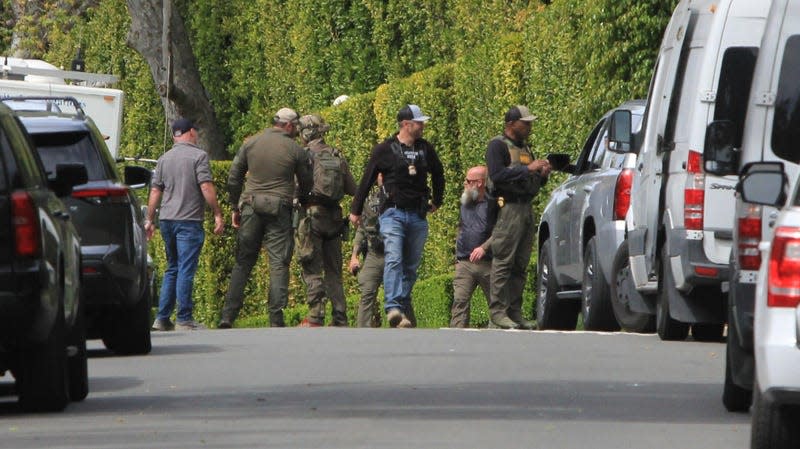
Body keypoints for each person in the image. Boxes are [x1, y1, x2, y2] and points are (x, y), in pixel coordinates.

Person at [349, 104, 445, 328]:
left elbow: (439, 174)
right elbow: (366, 180)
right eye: (418, 122)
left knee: (411, 264)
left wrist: (437, 201)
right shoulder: (384, 149)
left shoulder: (425, 149)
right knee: (394, 256)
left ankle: (399, 306)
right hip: (393, 212)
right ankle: (392, 307)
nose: (422, 126)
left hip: (418, 214)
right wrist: (355, 210)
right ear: (405, 124)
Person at [219, 107, 312, 328]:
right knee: (279, 262)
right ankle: (276, 319)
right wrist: (300, 199)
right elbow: (307, 183)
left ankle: (227, 317)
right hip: (279, 208)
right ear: (289, 126)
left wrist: (235, 206)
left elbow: (234, 177)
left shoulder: (250, 143)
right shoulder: (296, 149)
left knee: (243, 262)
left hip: (250, 206)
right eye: (296, 126)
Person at [146, 118, 224, 331]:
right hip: (188, 220)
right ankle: (184, 318)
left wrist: (149, 220)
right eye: (195, 132)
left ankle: (162, 318)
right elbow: (206, 187)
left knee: (172, 267)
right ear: (191, 132)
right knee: (186, 269)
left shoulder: (163, 159)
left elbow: (155, 191)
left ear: (174, 136)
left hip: (167, 220)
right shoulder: (199, 156)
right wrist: (217, 213)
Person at [485, 105, 551, 330]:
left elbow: (531, 179)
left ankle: (515, 312)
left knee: (520, 264)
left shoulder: (525, 148)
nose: (529, 127)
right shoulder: (497, 146)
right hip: (508, 209)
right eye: (526, 123)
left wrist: (541, 176)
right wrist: (528, 169)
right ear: (511, 124)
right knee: (503, 261)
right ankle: (498, 312)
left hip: (526, 208)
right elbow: (497, 175)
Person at [295, 114, 357, 327]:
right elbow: (352, 189)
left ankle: (315, 315)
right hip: (335, 219)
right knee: (334, 270)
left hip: (311, 217)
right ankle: (340, 316)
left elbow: (294, 188)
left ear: (305, 133)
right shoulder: (336, 155)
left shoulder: (303, 157)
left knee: (311, 266)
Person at [450, 166, 495, 328]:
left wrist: (484, 247)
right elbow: (460, 228)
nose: (465, 184)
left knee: (497, 304)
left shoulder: (494, 204)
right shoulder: (465, 202)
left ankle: (499, 338)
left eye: (468, 181)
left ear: (480, 183)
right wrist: (457, 257)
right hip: (464, 263)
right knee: (459, 302)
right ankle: (457, 337)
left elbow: (502, 231)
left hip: (488, 263)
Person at [349, 175, 387, 328]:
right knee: (367, 293)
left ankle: (407, 334)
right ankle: (362, 332)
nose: (381, 177)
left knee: (398, 295)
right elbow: (362, 230)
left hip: (395, 252)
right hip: (374, 253)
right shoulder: (369, 200)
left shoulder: (402, 196)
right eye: (380, 174)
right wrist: (354, 256)